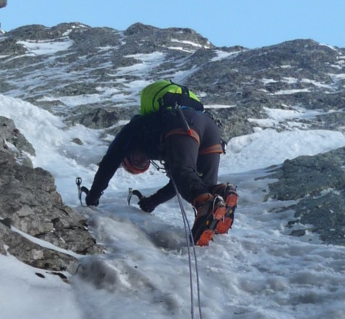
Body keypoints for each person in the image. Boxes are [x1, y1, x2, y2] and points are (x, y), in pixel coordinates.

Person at [83, 80, 238, 246]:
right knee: (204, 185)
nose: (141, 161)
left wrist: (93, 197)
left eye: (136, 162)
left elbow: (109, 163)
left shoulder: (134, 129)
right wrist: (153, 201)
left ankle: (206, 205)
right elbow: (180, 183)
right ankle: (224, 192)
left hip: (184, 122)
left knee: (185, 174)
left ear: (127, 156)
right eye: (141, 165)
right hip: (210, 127)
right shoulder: (159, 131)